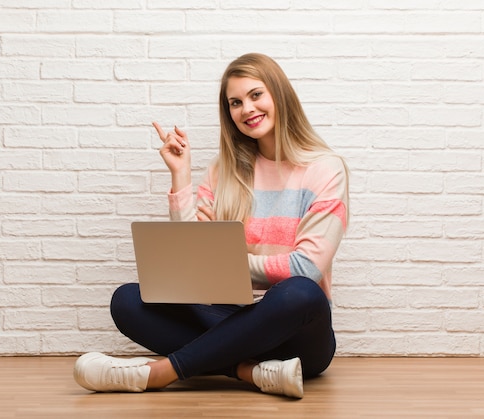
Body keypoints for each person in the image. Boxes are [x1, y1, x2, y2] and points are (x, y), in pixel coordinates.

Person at [73, 53, 349, 399]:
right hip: (227, 315)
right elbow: (194, 257)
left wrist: (229, 263)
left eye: (255, 95)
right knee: (127, 300)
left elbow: (305, 268)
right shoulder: (223, 171)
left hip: (296, 334)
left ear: (279, 94)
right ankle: (249, 371)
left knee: (300, 291)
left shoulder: (326, 169)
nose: (246, 109)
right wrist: (181, 175)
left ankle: (161, 372)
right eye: (235, 102)